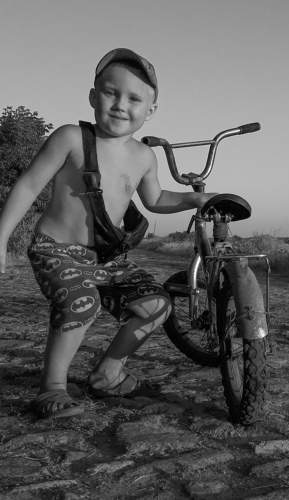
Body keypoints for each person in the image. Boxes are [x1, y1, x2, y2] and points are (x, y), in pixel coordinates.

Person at [0, 48, 214, 418]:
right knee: (80, 302)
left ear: (151, 111)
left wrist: (194, 198)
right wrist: (2, 237)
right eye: (111, 93)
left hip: (105, 259)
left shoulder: (144, 157)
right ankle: (52, 387)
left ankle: (108, 373)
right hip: (56, 250)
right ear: (92, 96)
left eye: (134, 99)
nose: (120, 105)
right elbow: (28, 186)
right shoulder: (70, 138)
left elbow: (156, 199)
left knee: (157, 304)